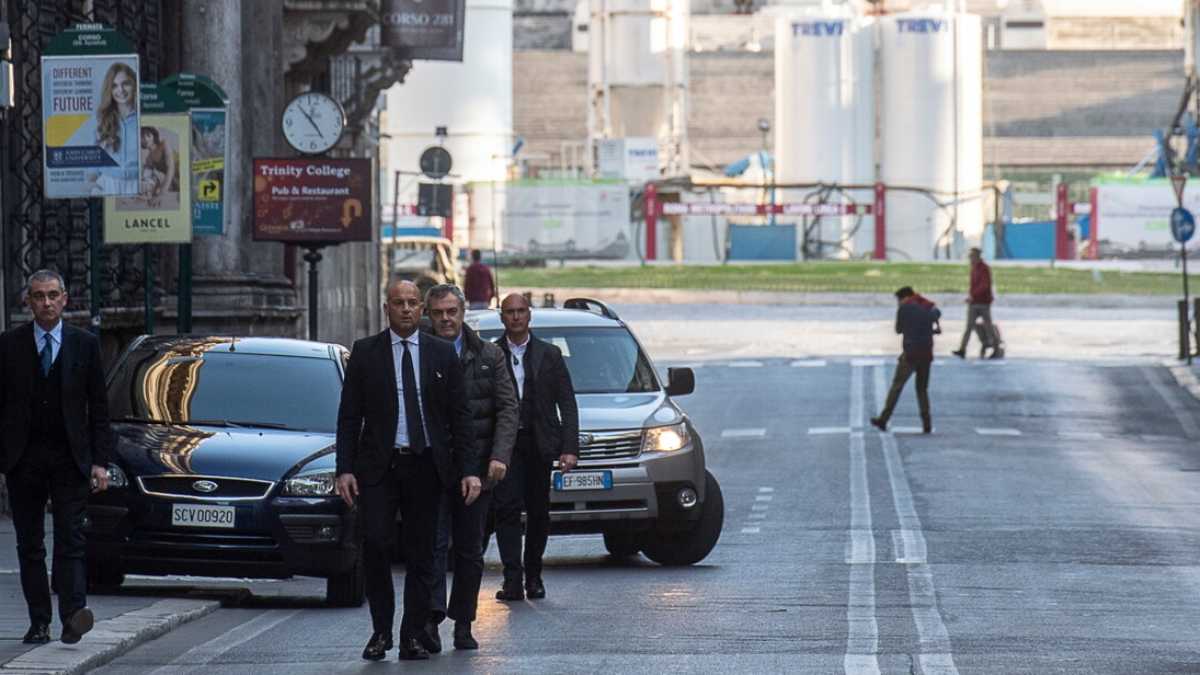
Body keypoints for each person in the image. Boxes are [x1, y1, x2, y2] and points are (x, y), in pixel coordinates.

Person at [335, 279, 473, 662]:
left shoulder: (443, 354)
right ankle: (381, 630)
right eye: (400, 303)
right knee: (377, 543)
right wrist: (344, 469)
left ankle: (412, 633)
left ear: (421, 309)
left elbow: (460, 418)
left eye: (414, 303)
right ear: (387, 308)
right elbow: (349, 417)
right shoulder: (365, 353)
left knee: (423, 553)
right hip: (379, 466)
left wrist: (469, 470)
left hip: (427, 464)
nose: (407, 309)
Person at [0, 269, 113, 646]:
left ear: (65, 299)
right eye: (38, 296)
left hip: (70, 458)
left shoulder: (85, 344)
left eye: (52, 295)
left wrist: (101, 462)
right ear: (27, 302)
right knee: (29, 544)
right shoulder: (8, 345)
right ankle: (39, 622)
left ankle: (72, 615)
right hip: (24, 459)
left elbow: (99, 408)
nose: (46, 303)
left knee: (71, 539)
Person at [423, 284, 518, 652]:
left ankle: (463, 622)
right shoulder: (421, 354)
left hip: (477, 471)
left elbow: (508, 408)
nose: (446, 319)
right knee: (431, 547)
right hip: (432, 468)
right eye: (439, 313)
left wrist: (499, 456)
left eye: (452, 312)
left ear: (462, 313)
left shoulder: (489, 355)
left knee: (469, 550)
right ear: (429, 316)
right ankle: (431, 619)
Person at [490, 292, 579, 601]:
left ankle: (534, 576)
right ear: (502, 317)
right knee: (506, 509)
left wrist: (570, 447)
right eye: (509, 312)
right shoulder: (491, 353)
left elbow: (566, 402)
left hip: (539, 443)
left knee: (539, 512)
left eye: (521, 311)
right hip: (505, 445)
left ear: (529, 315)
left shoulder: (549, 354)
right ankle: (512, 579)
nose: (515, 316)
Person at [871, 286, 941, 434]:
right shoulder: (926, 305)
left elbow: (898, 330)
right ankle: (926, 423)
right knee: (922, 389)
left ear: (904, 297)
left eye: (898, 300)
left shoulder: (904, 308)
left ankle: (884, 419)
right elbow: (935, 316)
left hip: (910, 353)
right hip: (926, 353)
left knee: (897, 386)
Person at [95, 62, 140, 194]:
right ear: (109, 90)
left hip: (137, 185)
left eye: (125, 83)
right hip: (108, 184)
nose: (120, 90)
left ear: (134, 84)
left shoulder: (145, 116)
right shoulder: (102, 120)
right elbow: (93, 160)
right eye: (114, 86)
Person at [953, 247, 996, 359]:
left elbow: (984, 286)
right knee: (969, 327)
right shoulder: (974, 268)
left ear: (977, 256)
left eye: (971, 256)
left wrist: (973, 296)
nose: (969, 259)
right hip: (974, 302)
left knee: (988, 326)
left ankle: (995, 347)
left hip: (983, 303)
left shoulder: (984, 269)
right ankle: (962, 349)